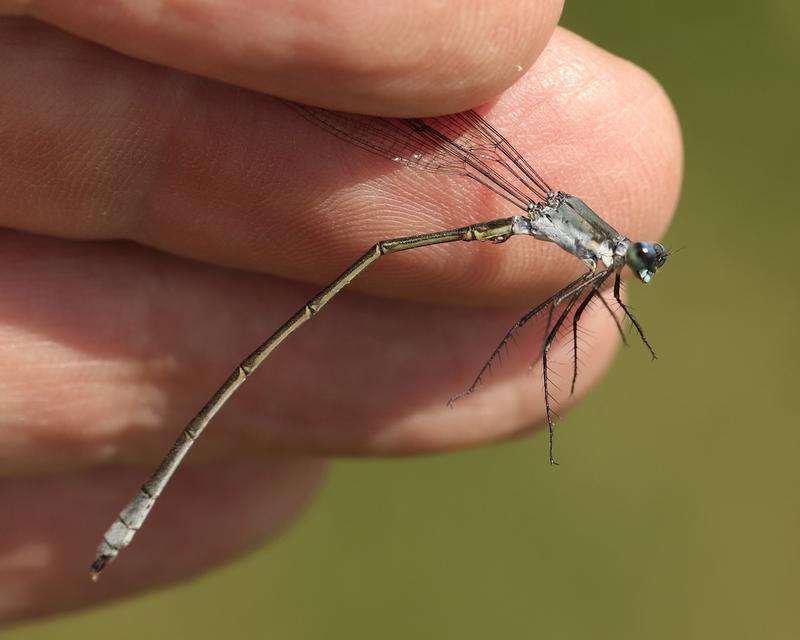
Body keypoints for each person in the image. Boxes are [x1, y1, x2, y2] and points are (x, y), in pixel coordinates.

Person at [0, 0, 681, 623]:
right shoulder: (600, 248)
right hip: (398, 235)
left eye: (640, 263)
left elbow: (573, 308)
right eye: (639, 261)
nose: (634, 268)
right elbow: (548, 319)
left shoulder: (603, 260)